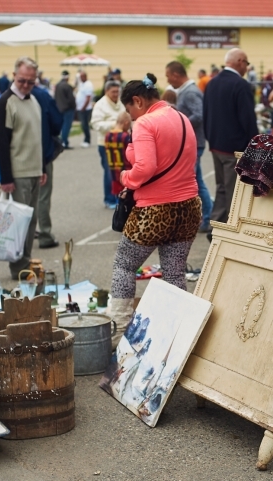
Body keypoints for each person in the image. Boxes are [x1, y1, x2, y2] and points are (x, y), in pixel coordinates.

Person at [107, 73, 200, 345]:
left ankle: (120, 330)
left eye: (129, 110)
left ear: (137, 100)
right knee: (174, 272)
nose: (131, 116)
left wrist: (125, 178)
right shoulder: (181, 118)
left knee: (124, 265)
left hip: (154, 211)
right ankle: (174, 334)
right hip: (188, 207)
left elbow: (145, 168)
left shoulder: (145, 123)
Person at [0, 57, 47, 279]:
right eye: (22, 80)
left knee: (31, 222)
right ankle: (18, 266)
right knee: (18, 223)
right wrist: (6, 177)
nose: (26, 84)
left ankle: (25, 260)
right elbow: (1, 141)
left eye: (30, 81)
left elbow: (37, 137)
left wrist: (42, 167)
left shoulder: (33, 101)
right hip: (17, 172)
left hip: (34, 170)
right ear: (14, 76)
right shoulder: (6, 102)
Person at [203, 48, 258, 228]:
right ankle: (228, 228)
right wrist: (255, 145)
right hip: (234, 147)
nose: (247, 68)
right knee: (234, 191)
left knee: (221, 187)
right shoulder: (240, 85)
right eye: (247, 63)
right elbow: (248, 119)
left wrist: (210, 138)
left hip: (216, 144)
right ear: (240, 61)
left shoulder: (212, 83)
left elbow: (206, 113)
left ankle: (216, 224)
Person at [165, 60, 212, 232]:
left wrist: (180, 124)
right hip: (192, 142)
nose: (168, 80)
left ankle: (208, 217)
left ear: (176, 75)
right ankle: (206, 216)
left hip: (194, 143)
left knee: (197, 182)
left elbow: (199, 115)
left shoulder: (190, 92)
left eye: (168, 76)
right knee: (196, 181)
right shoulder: (187, 91)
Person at [31, 82, 63, 249]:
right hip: (42, 152)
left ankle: (24, 235)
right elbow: (57, 122)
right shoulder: (43, 95)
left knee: (23, 196)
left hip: (18, 155)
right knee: (43, 195)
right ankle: (44, 233)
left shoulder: (8, 96)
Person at [91, 80, 126, 208]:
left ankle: (119, 196)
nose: (116, 94)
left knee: (120, 171)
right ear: (106, 92)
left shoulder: (121, 103)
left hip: (121, 141)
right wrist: (114, 124)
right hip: (106, 143)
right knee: (109, 171)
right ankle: (109, 199)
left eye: (118, 91)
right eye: (113, 92)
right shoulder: (100, 105)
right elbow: (95, 124)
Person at [105, 112, 132, 199]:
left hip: (114, 172)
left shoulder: (108, 136)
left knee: (118, 198)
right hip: (126, 171)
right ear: (126, 123)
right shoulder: (125, 136)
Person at [54, 71, 76, 149]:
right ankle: (64, 142)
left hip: (59, 108)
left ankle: (62, 142)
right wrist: (74, 106)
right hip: (68, 108)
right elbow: (71, 99)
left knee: (63, 126)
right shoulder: (67, 86)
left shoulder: (57, 85)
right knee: (66, 126)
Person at [75, 70, 94, 147]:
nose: (80, 78)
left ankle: (87, 140)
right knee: (83, 125)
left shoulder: (88, 85)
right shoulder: (82, 84)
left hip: (85, 109)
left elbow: (88, 98)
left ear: (85, 76)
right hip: (80, 108)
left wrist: (83, 107)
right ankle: (85, 139)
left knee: (85, 125)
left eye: (81, 77)